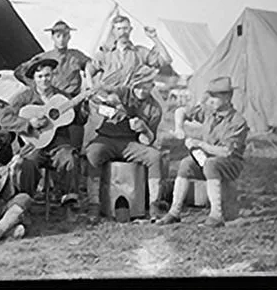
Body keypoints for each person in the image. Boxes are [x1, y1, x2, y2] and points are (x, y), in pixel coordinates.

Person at [157, 76, 249, 228]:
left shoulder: (237, 122)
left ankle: (216, 215)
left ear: (228, 98)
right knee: (186, 163)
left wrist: (200, 144)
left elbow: (226, 152)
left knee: (211, 164)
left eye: (216, 96)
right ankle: (174, 212)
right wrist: (179, 128)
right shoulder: (208, 112)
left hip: (231, 164)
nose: (211, 99)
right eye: (210, 95)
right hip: (208, 159)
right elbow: (181, 111)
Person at [83, 65, 165, 220]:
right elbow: (100, 95)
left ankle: (155, 206)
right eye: (138, 87)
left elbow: (148, 140)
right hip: (106, 138)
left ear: (152, 86)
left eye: (146, 87)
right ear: (132, 84)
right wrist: (112, 102)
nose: (141, 91)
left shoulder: (155, 108)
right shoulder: (122, 91)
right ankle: (94, 204)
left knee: (155, 156)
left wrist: (144, 129)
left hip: (131, 143)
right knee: (93, 153)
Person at [0, 57, 79, 211]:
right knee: (27, 163)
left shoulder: (62, 97)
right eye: (40, 76)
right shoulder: (24, 97)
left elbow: (78, 119)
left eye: (48, 75)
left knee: (70, 158)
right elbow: (4, 118)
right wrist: (28, 123)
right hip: (33, 145)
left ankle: (69, 201)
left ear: (53, 76)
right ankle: (24, 203)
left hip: (58, 145)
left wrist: (85, 106)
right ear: (34, 79)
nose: (44, 80)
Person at [14, 19, 91, 151]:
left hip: (71, 104)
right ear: (52, 37)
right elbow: (19, 71)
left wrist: (89, 81)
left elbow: (92, 66)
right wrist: (37, 84)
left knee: (71, 149)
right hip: (49, 102)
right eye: (58, 36)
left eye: (65, 36)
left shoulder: (76, 56)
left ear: (69, 37)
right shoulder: (44, 57)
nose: (61, 39)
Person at [87, 15, 173, 88]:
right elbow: (89, 70)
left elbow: (167, 60)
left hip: (130, 100)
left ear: (130, 29)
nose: (123, 32)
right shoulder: (105, 53)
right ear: (113, 31)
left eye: (125, 28)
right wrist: (91, 89)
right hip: (108, 98)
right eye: (119, 29)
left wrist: (154, 37)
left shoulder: (139, 52)